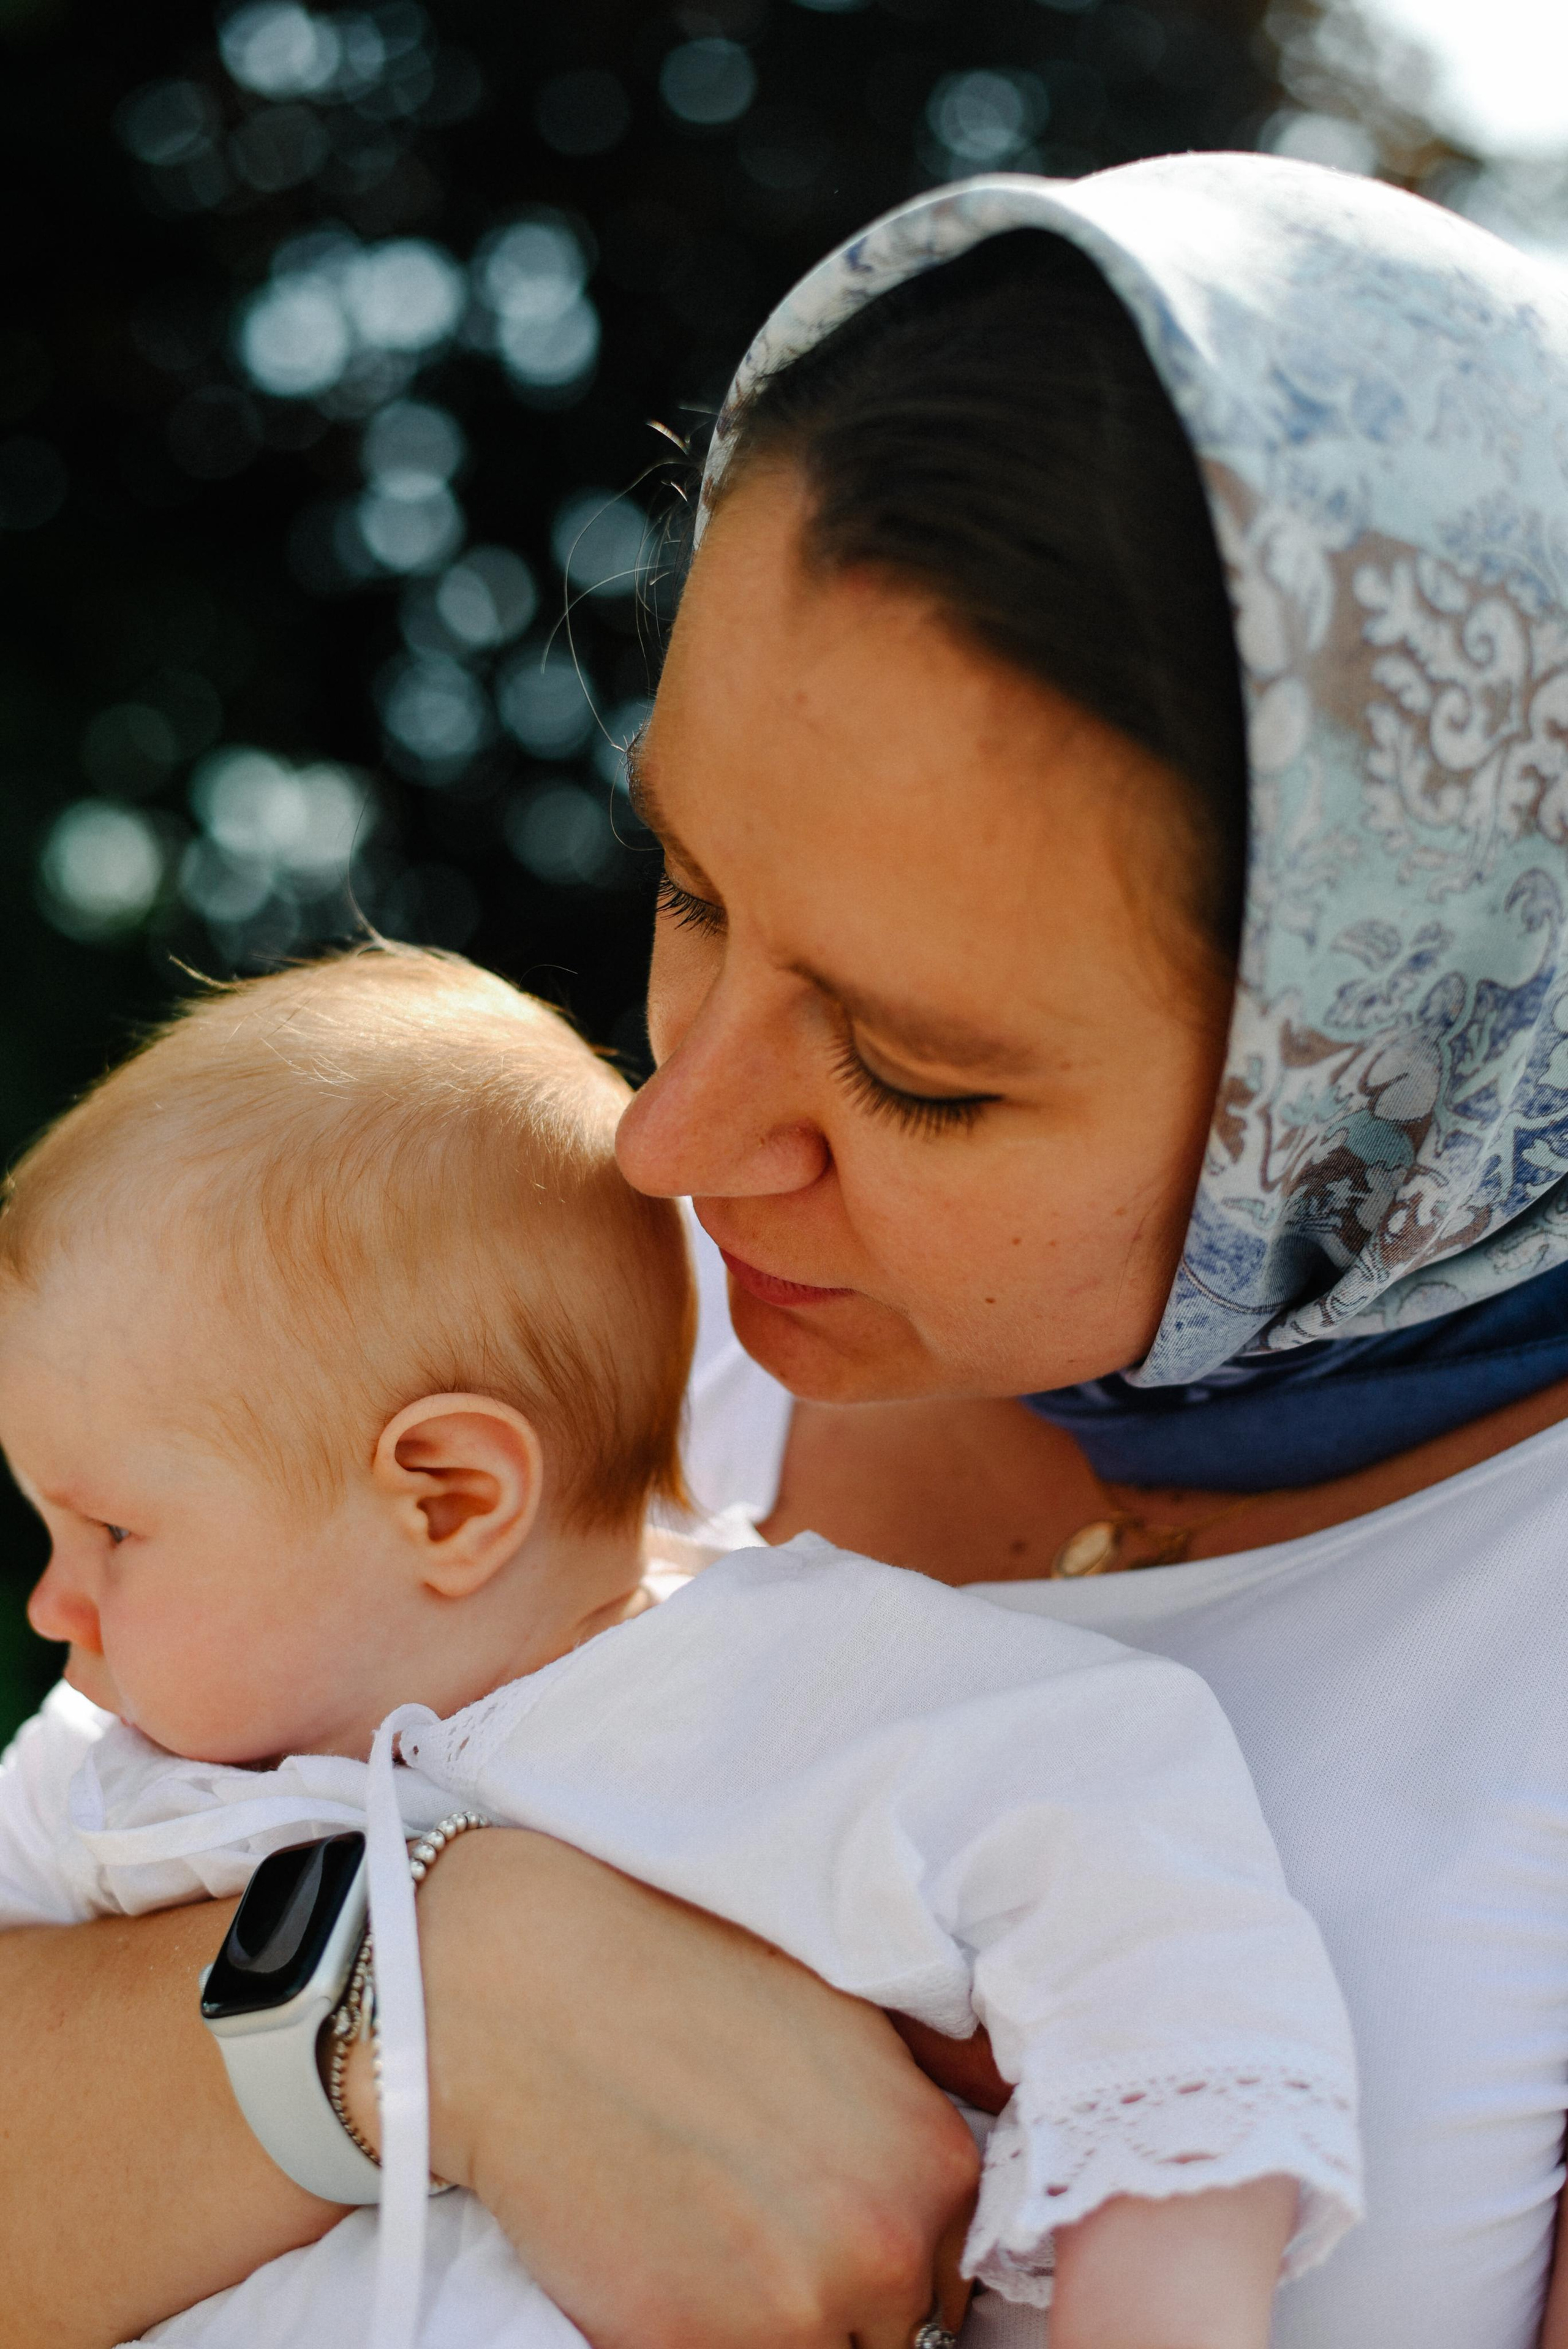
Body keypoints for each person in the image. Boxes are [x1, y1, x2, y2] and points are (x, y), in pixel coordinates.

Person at [6, 148, 1568, 2349]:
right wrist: (453, 1995)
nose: (672, 1140)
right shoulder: (594, 1342)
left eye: (918, 1071)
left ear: (1383, 1086)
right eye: (691, 888)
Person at [0, 944, 1360, 2349]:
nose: (53, 1604)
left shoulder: (802, 1704)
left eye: (109, 1530)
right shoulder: (105, 1777)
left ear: (449, 1498)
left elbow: (1165, 1982)